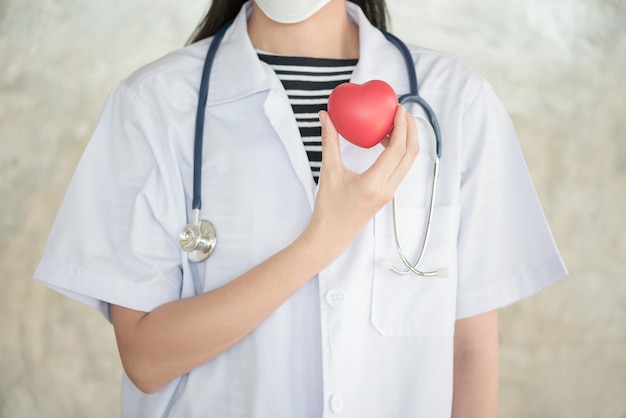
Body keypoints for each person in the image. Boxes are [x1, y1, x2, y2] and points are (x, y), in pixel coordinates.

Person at [33, 0, 568, 417]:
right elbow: (147, 360)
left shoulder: (455, 101)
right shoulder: (154, 103)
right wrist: (322, 241)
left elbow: (470, 352)